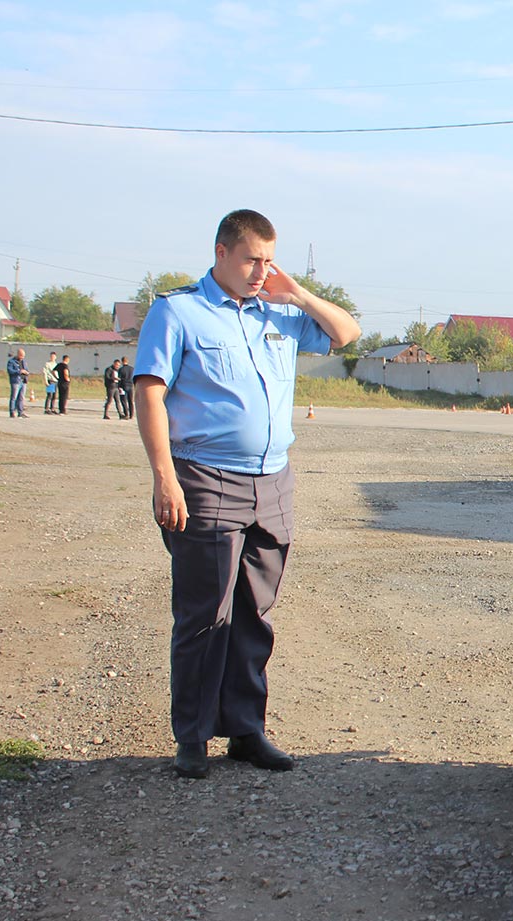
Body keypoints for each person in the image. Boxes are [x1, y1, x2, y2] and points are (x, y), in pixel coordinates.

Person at [134, 209, 359, 780]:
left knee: (254, 614)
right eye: (252, 259)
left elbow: (347, 333)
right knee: (204, 614)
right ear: (221, 253)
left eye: (269, 260)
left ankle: (245, 729)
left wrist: (300, 293)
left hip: (272, 481)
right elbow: (150, 392)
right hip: (206, 479)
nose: (262, 271)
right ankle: (191, 738)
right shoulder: (179, 311)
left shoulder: (278, 314)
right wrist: (164, 477)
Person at [7, 348, 30, 418]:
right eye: (21, 356)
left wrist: (27, 373)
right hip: (16, 381)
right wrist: (19, 371)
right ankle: (12, 412)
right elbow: (10, 371)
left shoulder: (24, 362)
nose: (22, 357)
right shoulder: (11, 362)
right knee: (14, 397)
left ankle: (20, 412)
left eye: (23, 356)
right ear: (18, 354)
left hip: (23, 381)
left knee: (21, 398)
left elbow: (26, 370)